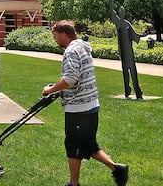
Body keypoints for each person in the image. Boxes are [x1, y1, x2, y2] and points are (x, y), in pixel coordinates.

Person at [42, 20, 129, 186]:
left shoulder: (71, 51)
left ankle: (74, 184)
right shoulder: (82, 47)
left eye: (55, 36)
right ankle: (118, 169)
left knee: (74, 146)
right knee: (88, 146)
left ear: (63, 34)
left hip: (79, 108)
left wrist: (50, 89)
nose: (54, 39)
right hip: (90, 105)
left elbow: (70, 79)